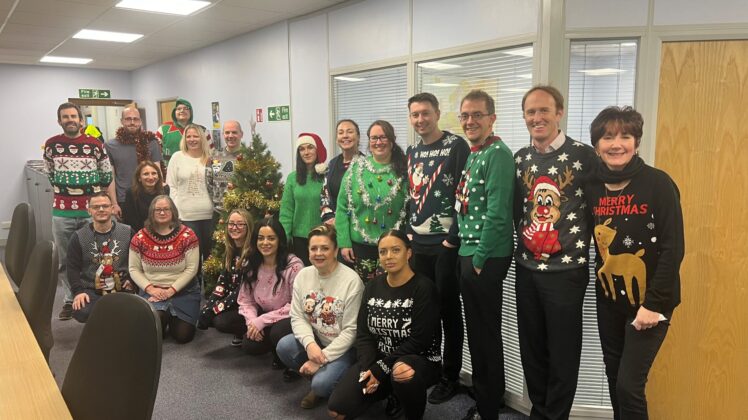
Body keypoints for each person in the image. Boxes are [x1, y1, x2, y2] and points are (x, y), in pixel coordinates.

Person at [585, 106, 683, 420]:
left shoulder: (658, 183)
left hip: (650, 305)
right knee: (615, 381)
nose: (617, 144)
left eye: (625, 136)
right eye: (608, 137)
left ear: (636, 142)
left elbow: (673, 248)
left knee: (629, 386)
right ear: (597, 145)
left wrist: (653, 304)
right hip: (609, 300)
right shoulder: (592, 187)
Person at [513, 85, 597, 420]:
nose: (537, 118)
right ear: (524, 117)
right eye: (531, 112)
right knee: (532, 351)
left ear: (559, 113)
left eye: (544, 110)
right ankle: (539, 411)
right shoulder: (520, 158)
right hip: (526, 270)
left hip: (566, 274)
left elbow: (600, 206)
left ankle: (555, 416)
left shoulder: (584, 156)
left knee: (562, 354)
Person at [328, 230, 441, 420]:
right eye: (383, 252)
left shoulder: (424, 288)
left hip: (417, 361)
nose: (389, 256)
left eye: (395, 250)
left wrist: (380, 369)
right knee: (337, 410)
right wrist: (367, 369)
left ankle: (412, 413)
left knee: (402, 372)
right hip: (379, 360)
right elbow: (364, 335)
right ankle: (390, 394)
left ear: (409, 253)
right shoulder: (372, 287)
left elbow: (419, 341)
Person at [454, 90, 515, 420]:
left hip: (485, 256)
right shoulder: (477, 152)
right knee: (479, 331)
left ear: (492, 118)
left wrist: (478, 260)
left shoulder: (499, 155)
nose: (470, 121)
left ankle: (488, 406)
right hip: (470, 250)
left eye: (477, 115)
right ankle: (490, 396)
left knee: (485, 334)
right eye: (464, 116)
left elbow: (498, 214)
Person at [406, 92, 469, 404]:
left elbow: (464, 195)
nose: (420, 120)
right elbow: (411, 196)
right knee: (424, 310)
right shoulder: (412, 151)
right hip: (418, 245)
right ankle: (429, 367)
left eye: (425, 113)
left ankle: (450, 376)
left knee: (448, 311)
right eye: (415, 115)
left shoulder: (456, 146)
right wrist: (406, 235)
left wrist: (452, 239)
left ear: (437, 113)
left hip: (445, 245)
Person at [276, 224, 363, 409]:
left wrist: (322, 357)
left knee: (322, 385)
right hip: (318, 341)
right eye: (314, 248)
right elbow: (298, 316)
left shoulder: (352, 281)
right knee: (284, 346)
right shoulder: (303, 275)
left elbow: (351, 331)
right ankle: (321, 376)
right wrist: (310, 345)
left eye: (325, 248)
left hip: (345, 348)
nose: (318, 253)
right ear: (308, 252)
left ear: (335, 250)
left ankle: (322, 384)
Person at [44, 102, 113, 320]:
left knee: (96, 256)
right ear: (59, 121)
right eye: (65, 117)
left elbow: (106, 174)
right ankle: (70, 298)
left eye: (74, 116)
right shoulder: (52, 145)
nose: (70, 120)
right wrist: (69, 190)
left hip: (88, 212)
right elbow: (50, 174)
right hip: (62, 211)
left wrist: (90, 194)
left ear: (81, 120)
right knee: (66, 259)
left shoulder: (94, 144)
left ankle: (96, 294)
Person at [336, 120, 408, 282]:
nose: (378, 142)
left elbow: (411, 208)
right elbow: (341, 208)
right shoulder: (355, 169)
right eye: (374, 138)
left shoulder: (404, 170)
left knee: (389, 295)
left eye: (383, 137)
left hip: (393, 249)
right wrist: (344, 242)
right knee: (360, 296)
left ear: (391, 140)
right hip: (358, 249)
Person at [129, 195, 200, 343]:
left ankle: (170, 313)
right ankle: (163, 313)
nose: (162, 213)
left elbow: (192, 269)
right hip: (153, 291)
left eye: (166, 209)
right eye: (158, 210)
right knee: (154, 334)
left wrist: (171, 291)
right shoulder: (140, 237)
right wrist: (150, 289)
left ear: (173, 211)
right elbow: (134, 269)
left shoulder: (188, 235)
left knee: (183, 336)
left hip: (184, 292)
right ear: (151, 213)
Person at [237, 218, 303, 369]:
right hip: (263, 313)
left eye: (271, 238)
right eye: (261, 238)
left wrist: (262, 321)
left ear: (280, 240)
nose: (265, 243)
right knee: (249, 345)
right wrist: (252, 322)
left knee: (277, 332)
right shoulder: (251, 262)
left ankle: (285, 355)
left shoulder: (294, 266)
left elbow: (297, 306)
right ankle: (271, 345)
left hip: (288, 317)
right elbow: (245, 300)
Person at [68, 192, 134, 323]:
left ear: (112, 208)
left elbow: (138, 261)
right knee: (82, 312)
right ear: (89, 210)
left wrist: (132, 280)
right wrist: (78, 292)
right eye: (96, 207)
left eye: (105, 206)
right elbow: (72, 267)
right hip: (92, 289)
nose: (101, 209)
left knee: (133, 311)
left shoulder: (127, 232)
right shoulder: (79, 236)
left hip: (121, 287)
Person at [198, 209, 254, 346]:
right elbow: (221, 285)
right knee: (205, 314)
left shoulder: (252, 254)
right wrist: (208, 307)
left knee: (220, 321)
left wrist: (215, 309)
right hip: (234, 301)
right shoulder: (230, 251)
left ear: (248, 227)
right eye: (231, 223)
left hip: (250, 303)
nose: (234, 228)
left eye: (240, 224)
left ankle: (246, 330)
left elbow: (242, 291)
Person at [166, 124, 215, 271]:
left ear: (202, 138)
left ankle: (209, 291)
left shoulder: (211, 159)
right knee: (191, 259)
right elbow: (172, 186)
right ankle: (193, 290)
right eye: (188, 136)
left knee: (210, 257)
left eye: (195, 136)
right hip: (186, 216)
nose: (192, 139)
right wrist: (176, 212)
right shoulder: (177, 157)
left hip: (210, 215)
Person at [105, 104, 162, 218]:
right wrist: (114, 204)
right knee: (129, 234)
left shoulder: (151, 143)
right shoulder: (110, 146)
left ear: (140, 121)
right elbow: (111, 178)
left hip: (149, 198)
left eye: (135, 119)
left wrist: (161, 198)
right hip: (124, 200)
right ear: (122, 121)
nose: (132, 122)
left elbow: (158, 172)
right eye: (128, 119)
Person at [280, 133, 327, 265]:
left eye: (310, 147)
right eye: (302, 149)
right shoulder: (292, 178)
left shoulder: (326, 176)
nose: (306, 152)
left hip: (323, 237)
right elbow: (286, 211)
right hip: (299, 239)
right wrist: (285, 237)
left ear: (317, 150)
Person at [321, 119, 364, 225]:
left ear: (358, 137)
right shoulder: (332, 164)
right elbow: (324, 195)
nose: (345, 136)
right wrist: (329, 218)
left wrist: (342, 220)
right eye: (340, 133)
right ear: (336, 139)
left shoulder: (366, 165)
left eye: (350, 132)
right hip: (333, 226)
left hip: (358, 226)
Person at [157, 98, 210, 171]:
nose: (182, 111)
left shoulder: (203, 130)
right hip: (169, 171)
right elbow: (155, 154)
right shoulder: (163, 129)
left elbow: (210, 152)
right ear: (174, 112)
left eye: (186, 108)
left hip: (196, 171)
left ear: (191, 112)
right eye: (178, 109)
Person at [206, 120, 244, 211]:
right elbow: (209, 183)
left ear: (241, 134)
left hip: (243, 212)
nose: (230, 136)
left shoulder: (248, 156)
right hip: (219, 211)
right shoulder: (215, 156)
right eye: (227, 132)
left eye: (234, 132)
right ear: (223, 134)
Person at [122, 160, 169, 232]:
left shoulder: (165, 190)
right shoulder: (131, 193)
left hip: (163, 231)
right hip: (139, 233)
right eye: (146, 174)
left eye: (154, 173)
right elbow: (130, 221)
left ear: (159, 176)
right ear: (139, 178)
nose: (151, 177)